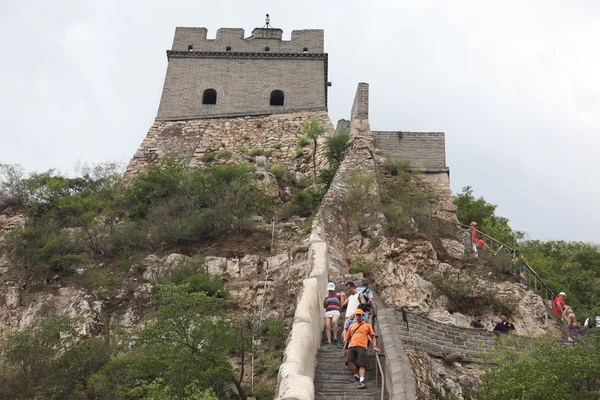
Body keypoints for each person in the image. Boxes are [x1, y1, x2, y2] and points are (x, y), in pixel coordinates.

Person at [344, 309, 380, 389]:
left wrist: (374, 346)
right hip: (351, 346)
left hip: (362, 346)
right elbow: (347, 338)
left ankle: (362, 380)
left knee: (362, 364)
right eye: (357, 315)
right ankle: (356, 375)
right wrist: (344, 348)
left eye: (359, 315)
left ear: (362, 316)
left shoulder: (367, 326)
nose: (358, 316)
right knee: (349, 361)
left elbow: (373, 337)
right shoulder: (351, 326)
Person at [340, 282, 366, 346]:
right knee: (345, 331)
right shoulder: (350, 297)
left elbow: (363, 305)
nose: (348, 290)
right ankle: (346, 345)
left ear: (353, 287)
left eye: (349, 288)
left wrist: (359, 314)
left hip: (355, 316)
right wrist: (342, 296)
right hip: (348, 316)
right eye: (347, 289)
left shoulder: (360, 294)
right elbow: (343, 304)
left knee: (354, 331)